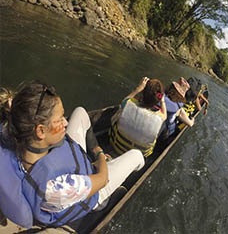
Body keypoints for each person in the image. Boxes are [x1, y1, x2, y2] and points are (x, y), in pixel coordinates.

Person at [0, 82, 144, 228]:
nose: (66, 122)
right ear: (41, 131)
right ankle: (110, 198)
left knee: (80, 112)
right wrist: (99, 153)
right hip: (94, 192)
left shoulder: (17, 135)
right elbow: (103, 180)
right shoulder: (55, 187)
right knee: (137, 155)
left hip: (78, 168)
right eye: (60, 118)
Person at [110, 77, 167, 157]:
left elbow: (125, 99)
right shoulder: (160, 117)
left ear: (143, 93)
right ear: (159, 98)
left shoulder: (128, 103)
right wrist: (162, 101)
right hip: (137, 156)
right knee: (163, 127)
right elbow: (165, 115)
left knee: (118, 112)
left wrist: (138, 88)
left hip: (116, 147)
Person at [159, 77, 195, 141]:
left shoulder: (159, 96)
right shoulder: (177, 107)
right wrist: (192, 121)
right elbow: (190, 124)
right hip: (163, 133)